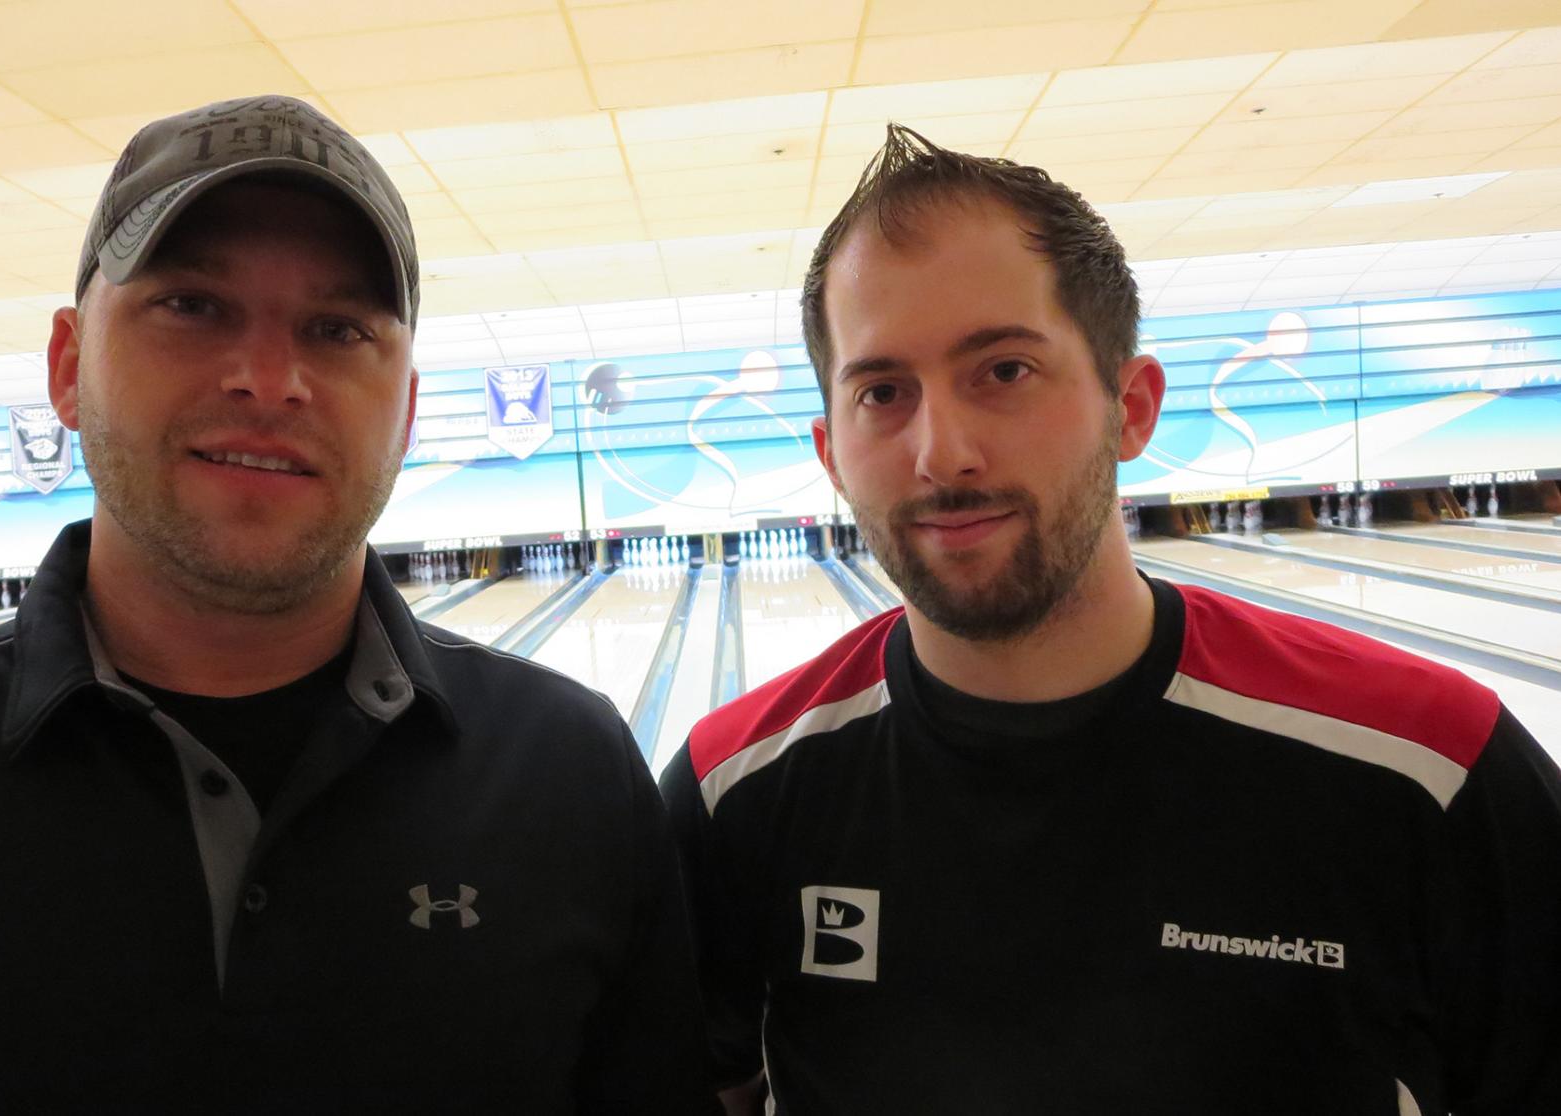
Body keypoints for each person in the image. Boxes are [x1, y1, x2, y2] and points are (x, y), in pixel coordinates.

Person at [0, 95, 714, 1114]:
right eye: (192, 306)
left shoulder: (576, 784)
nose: (268, 380)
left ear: (405, 410)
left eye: (337, 327)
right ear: (66, 365)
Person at [659, 124, 1561, 1115]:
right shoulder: (732, 792)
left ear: (1130, 407)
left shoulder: (1428, 769)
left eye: (1004, 370)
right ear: (831, 453)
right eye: (884, 392)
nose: (941, 452)